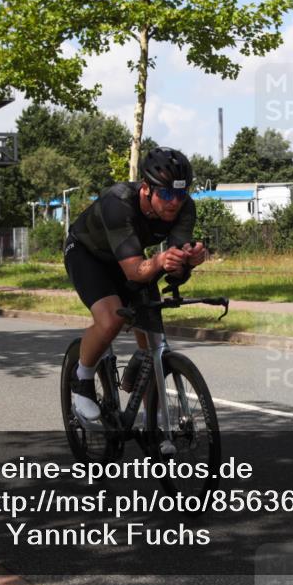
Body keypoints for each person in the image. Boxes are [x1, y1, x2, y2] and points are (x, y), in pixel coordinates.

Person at [63, 147, 206, 420]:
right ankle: (82, 379)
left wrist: (188, 261)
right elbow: (135, 272)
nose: (174, 202)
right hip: (88, 255)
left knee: (153, 336)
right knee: (111, 320)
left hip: (132, 258)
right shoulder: (118, 203)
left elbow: (173, 266)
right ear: (146, 188)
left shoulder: (184, 207)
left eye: (180, 194)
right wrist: (161, 259)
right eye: (166, 194)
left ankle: (155, 418)